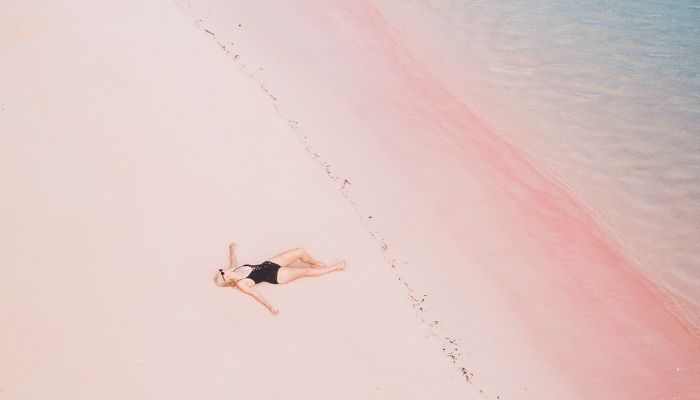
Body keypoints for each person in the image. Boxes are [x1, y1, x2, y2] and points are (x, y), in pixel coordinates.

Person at [213, 243, 345, 315]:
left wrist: (231, 249)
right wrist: (270, 307)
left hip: (270, 263)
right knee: (306, 271)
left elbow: (232, 259)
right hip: (276, 275)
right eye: (222, 273)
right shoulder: (241, 284)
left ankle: (315, 262)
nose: (222, 270)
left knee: (300, 250)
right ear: (226, 280)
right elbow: (256, 295)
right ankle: (335, 268)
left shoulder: (233, 268)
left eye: (220, 271)